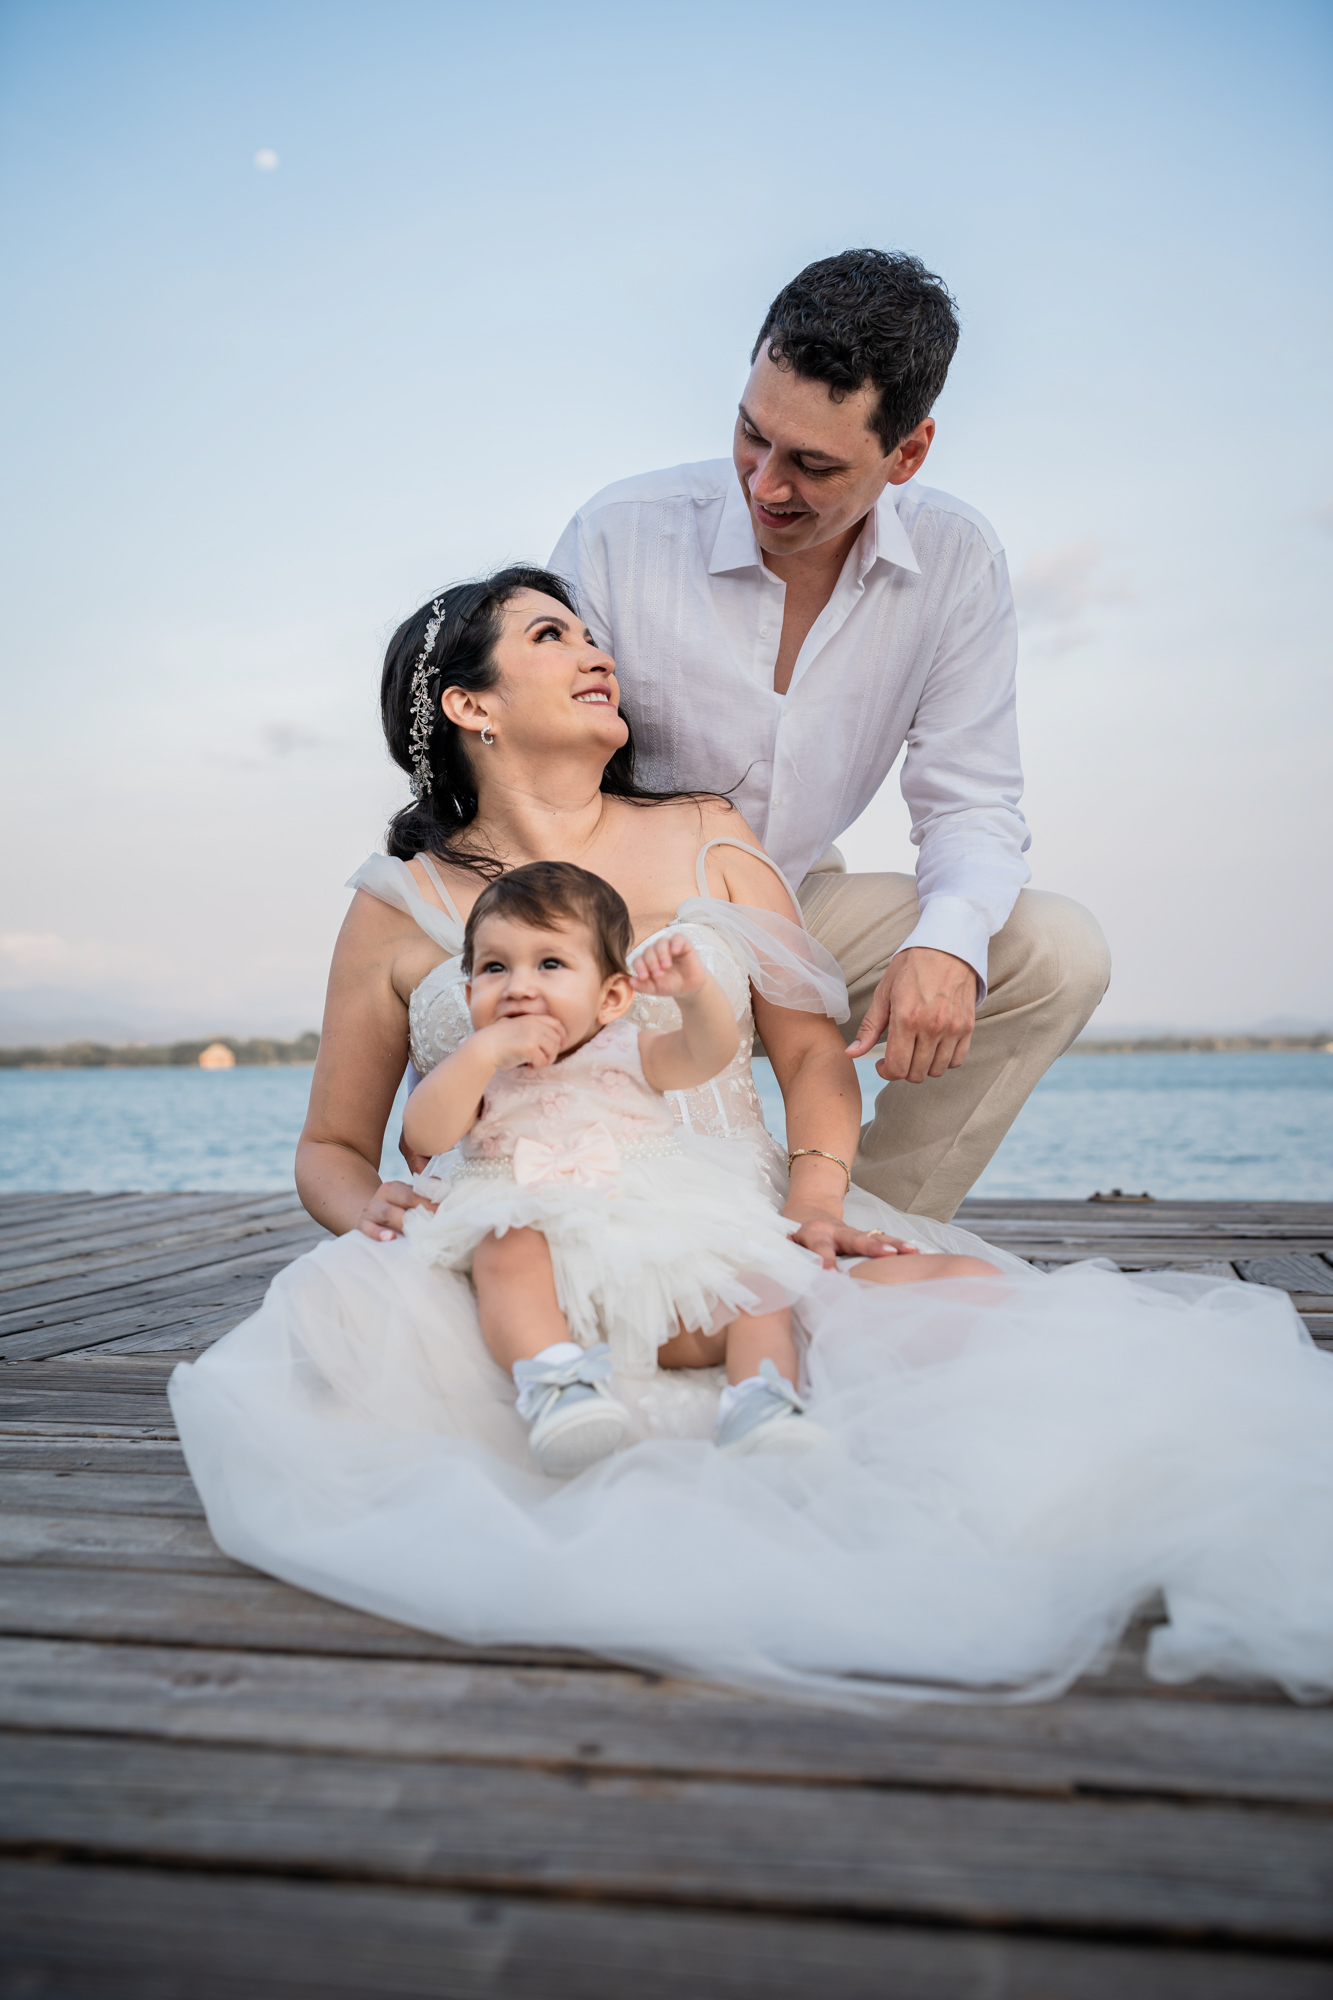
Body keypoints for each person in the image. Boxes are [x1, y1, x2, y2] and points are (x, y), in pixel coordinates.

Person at [169, 565, 1333, 1710]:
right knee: (347, 1374)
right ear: (469, 704)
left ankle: (763, 1403)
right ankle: (571, 1397)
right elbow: (333, 1146)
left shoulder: (706, 831)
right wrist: (365, 1206)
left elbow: (812, 1055)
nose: (595, 650)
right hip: (517, 1246)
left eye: (590, 631)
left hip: (723, 1218)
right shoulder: (396, 900)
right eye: (549, 636)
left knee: (990, 1322)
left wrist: (815, 1200)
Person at [550, 247, 1113, 1222]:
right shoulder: (618, 533)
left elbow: (971, 798)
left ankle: (864, 1225)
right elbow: (531, 769)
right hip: (619, 922)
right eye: (750, 434)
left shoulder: (956, 558)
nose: (765, 485)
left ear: (908, 454)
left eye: (813, 464)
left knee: (1054, 951)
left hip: (796, 903)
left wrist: (947, 945)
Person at [401, 859, 995, 1476]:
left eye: (549, 964)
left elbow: (705, 1053)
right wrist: (481, 1053)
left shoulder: (630, 1050)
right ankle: (557, 1385)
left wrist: (694, 993)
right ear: (470, 996)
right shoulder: (479, 1072)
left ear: (611, 997)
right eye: (495, 968)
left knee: (758, 1282)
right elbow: (425, 1132)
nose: (519, 986)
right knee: (507, 1246)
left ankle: (760, 1397)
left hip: (646, 1235)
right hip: (529, 1222)